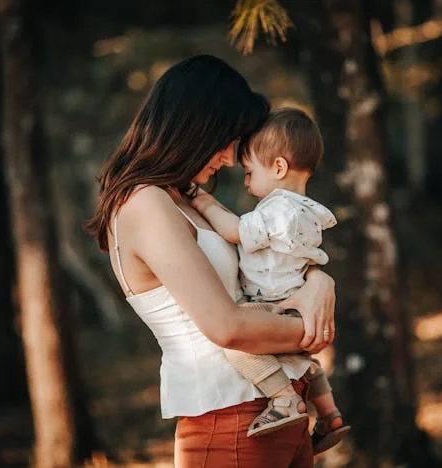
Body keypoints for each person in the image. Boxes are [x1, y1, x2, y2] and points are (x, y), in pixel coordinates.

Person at [85, 55, 336, 468]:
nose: (228, 157)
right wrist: (313, 332)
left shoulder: (181, 196)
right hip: (229, 418)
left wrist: (319, 283)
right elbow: (226, 326)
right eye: (228, 140)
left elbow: (260, 269)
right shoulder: (144, 204)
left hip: (276, 411)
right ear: (197, 128)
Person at [190, 108, 350, 454]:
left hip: (279, 305)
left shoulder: (277, 211)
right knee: (308, 364)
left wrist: (203, 201)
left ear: (278, 168)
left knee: (234, 345)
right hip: (298, 308)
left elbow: (233, 231)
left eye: (249, 173)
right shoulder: (308, 211)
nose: (246, 183)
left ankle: (284, 399)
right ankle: (330, 413)